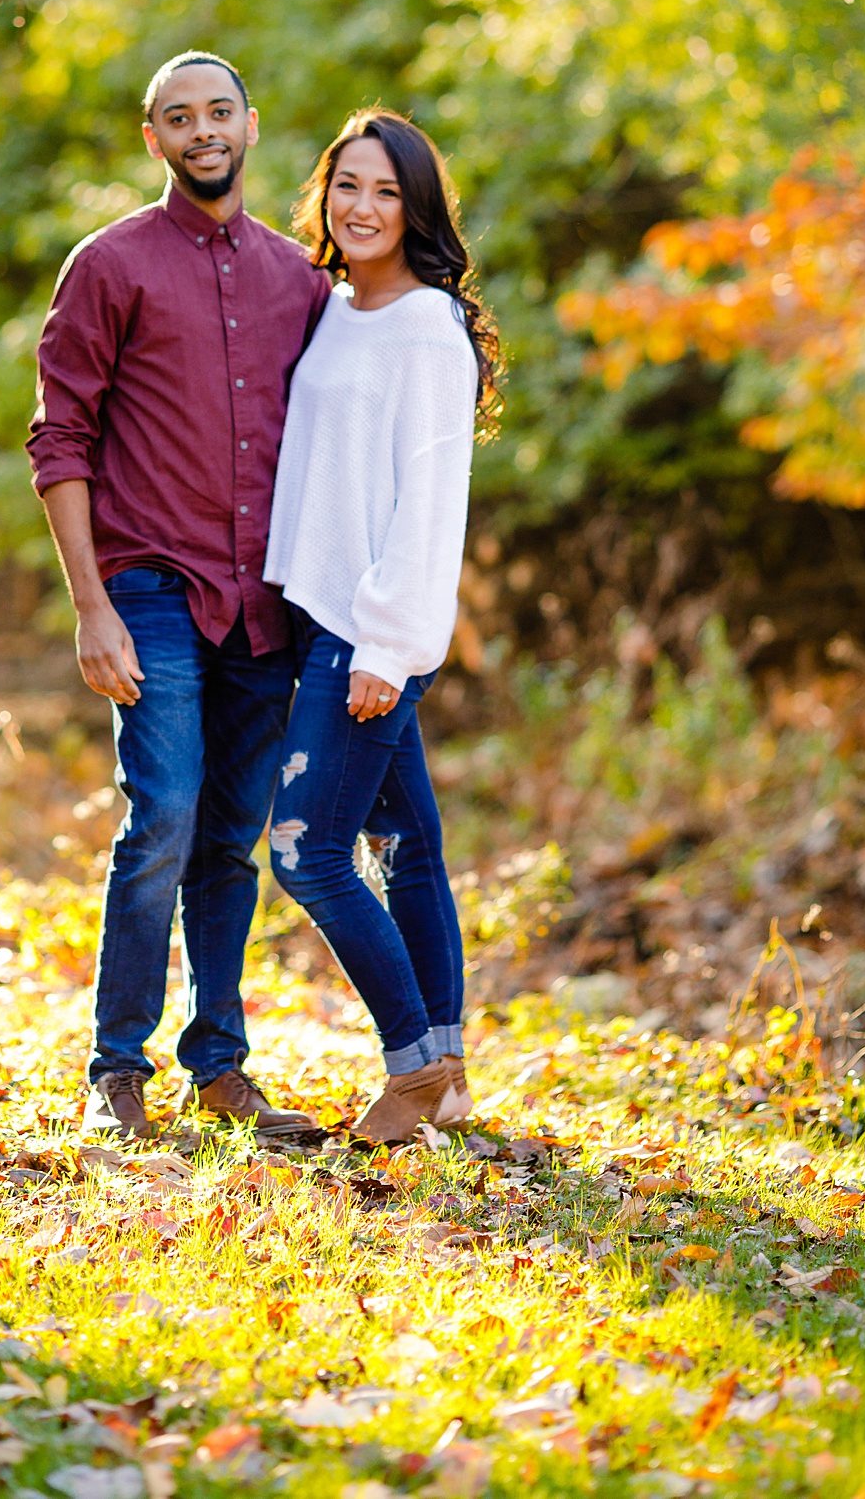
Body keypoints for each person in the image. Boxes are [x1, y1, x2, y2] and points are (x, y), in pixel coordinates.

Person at [27, 50, 332, 1141]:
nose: (202, 130)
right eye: (177, 116)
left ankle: (220, 1067)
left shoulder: (301, 278)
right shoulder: (107, 266)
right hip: (149, 585)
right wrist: (90, 603)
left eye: (218, 111)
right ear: (150, 139)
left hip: (266, 604)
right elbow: (58, 437)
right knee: (160, 814)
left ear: (251, 125)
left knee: (229, 837)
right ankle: (117, 1067)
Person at [263, 108, 499, 1146]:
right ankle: (446, 1086)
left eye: (385, 192)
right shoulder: (331, 308)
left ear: (417, 209)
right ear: (324, 195)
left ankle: (412, 1067)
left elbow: (430, 497)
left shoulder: (428, 329)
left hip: (369, 633)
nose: (361, 208)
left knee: (307, 855)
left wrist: (388, 649)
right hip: (323, 611)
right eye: (346, 186)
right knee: (408, 847)